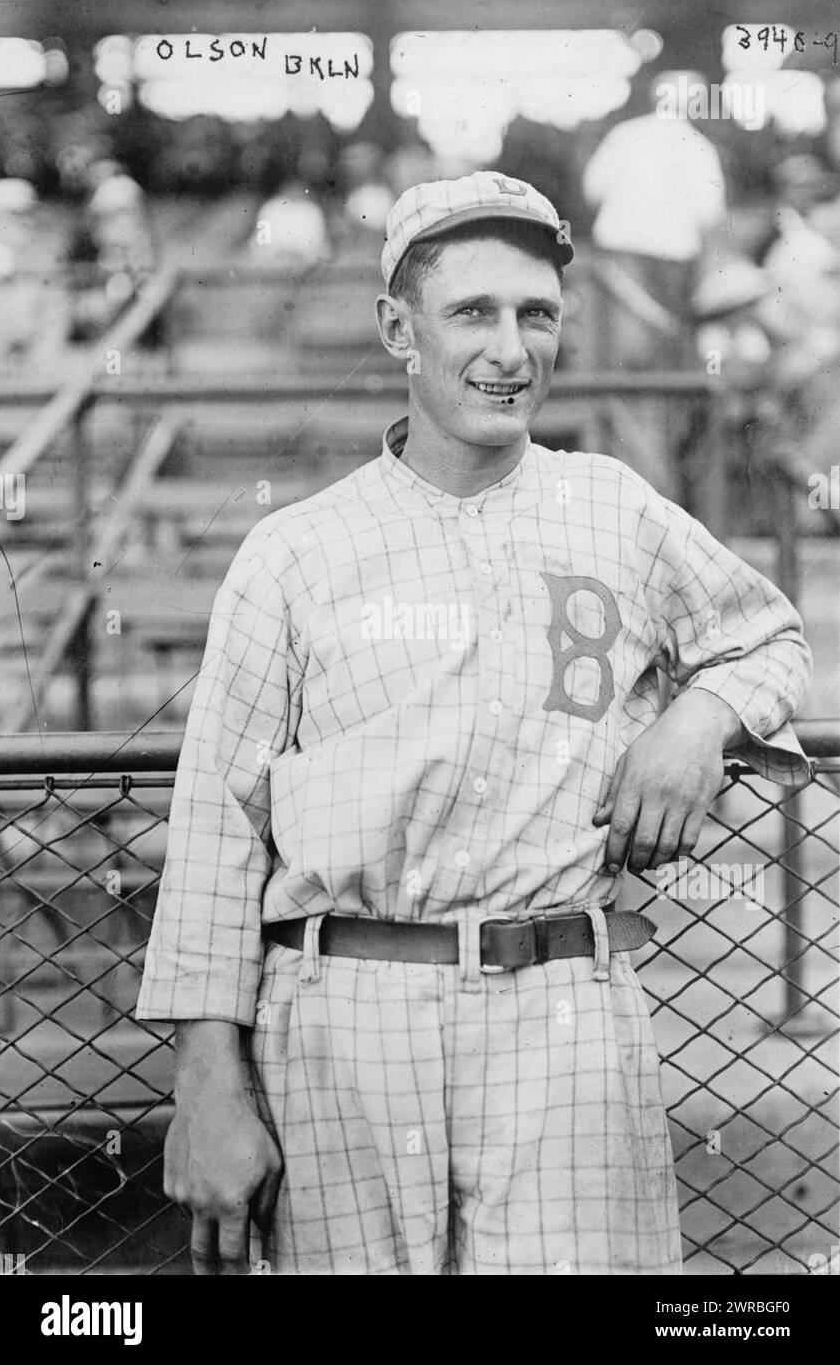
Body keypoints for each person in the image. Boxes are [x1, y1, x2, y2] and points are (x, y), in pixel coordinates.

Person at [136, 171, 812, 1276]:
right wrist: (207, 1085)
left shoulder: (613, 505)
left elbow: (771, 640)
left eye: (535, 313)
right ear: (399, 330)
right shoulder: (299, 550)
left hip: (561, 1009)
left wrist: (700, 717)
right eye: (473, 313)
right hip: (343, 1011)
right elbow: (216, 831)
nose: (510, 349)